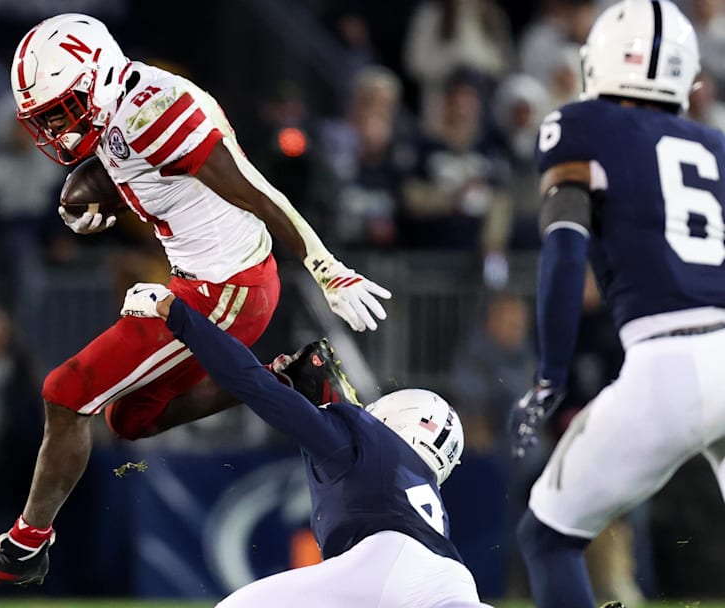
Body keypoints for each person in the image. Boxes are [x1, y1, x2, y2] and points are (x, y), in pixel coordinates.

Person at [0, 13, 391, 596]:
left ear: (97, 80)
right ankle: (291, 377)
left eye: (61, 111)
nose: (54, 129)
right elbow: (145, 166)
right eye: (46, 117)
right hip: (207, 281)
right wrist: (106, 194)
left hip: (226, 289)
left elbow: (255, 189)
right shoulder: (121, 107)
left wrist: (326, 268)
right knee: (130, 419)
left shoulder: (158, 113)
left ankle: (23, 548)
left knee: (65, 393)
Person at [507, 2, 725, 608]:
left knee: (548, 536)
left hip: (667, 359)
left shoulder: (580, 126)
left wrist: (550, 374)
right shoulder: (716, 144)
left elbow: (564, 251)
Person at [118, 283, 486, 607]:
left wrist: (177, 313)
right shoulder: (420, 486)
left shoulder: (367, 443)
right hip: (452, 581)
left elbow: (250, 382)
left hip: (384, 568)